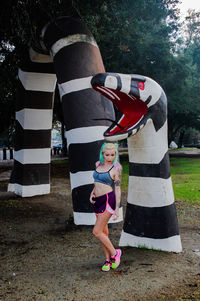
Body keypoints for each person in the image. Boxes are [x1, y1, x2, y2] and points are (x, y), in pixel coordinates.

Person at [90, 142, 122, 272]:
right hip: (97, 200)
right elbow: (96, 182)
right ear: (102, 154)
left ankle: (115, 253)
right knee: (104, 232)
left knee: (96, 232)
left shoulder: (115, 169)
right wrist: (92, 193)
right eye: (107, 154)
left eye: (112, 155)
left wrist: (117, 208)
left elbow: (118, 189)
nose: (110, 157)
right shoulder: (98, 164)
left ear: (115, 154)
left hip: (108, 200)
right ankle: (108, 260)